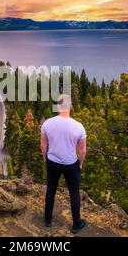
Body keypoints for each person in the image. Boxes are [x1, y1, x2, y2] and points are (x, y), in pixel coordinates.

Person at [40, 94, 87, 233]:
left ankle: (48, 220)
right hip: (71, 163)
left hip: (52, 161)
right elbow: (83, 150)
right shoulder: (78, 126)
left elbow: (43, 145)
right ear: (70, 106)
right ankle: (76, 224)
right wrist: (80, 164)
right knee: (74, 192)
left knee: (51, 189)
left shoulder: (47, 123)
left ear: (58, 106)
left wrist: (45, 158)